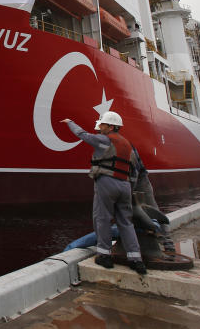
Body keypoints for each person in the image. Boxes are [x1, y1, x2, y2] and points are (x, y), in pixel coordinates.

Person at [61, 111, 147, 275]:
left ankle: (105, 256)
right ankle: (136, 260)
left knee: (102, 218)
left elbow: (82, 134)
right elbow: (135, 170)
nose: (100, 128)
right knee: (126, 222)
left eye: (103, 125)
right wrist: (130, 188)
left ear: (111, 126)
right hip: (126, 185)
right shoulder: (129, 145)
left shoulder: (104, 140)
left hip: (107, 182)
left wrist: (70, 121)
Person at [131, 147, 175, 252]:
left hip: (141, 179)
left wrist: (128, 189)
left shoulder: (125, 147)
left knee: (152, 208)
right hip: (128, 180)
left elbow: (134, 170)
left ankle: (166, 240)